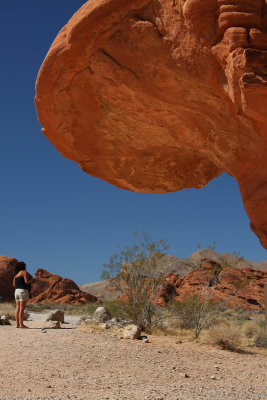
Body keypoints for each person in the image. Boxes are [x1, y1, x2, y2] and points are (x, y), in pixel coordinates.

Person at [13, 262, 31, 328]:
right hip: (23, 291)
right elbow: (26, 282)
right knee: (22, 309)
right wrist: (31, 281)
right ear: (23, 266)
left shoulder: (16, 275)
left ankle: (17, 325)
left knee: (17, 308)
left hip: (16, 291)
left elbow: (14, 285)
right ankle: (21, 324)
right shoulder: (24, 272)